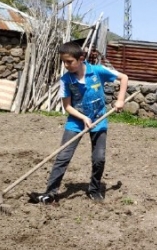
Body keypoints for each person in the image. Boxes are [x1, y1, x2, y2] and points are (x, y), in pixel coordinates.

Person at [30, 42, 129, 203]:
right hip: (76, 122)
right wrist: (83, 117)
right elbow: (67, 106)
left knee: (99, 158)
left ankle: (95, 189)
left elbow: (123, 77)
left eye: (69, 61)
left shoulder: (96, 71)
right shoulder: (66, 80)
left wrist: (120, 100)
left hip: (99, 120)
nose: (66, 65)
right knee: (63, 156)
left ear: (81, 58)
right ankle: (50, 192)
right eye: (64, 62)